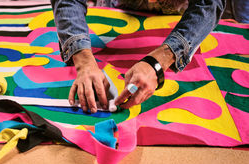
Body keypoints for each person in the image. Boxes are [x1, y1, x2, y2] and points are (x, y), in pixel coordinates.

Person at [50, 0, 226, 113]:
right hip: (117, 10)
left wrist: (160, 61)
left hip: (180, 19)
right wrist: (83, 59)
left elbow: (209, 4)